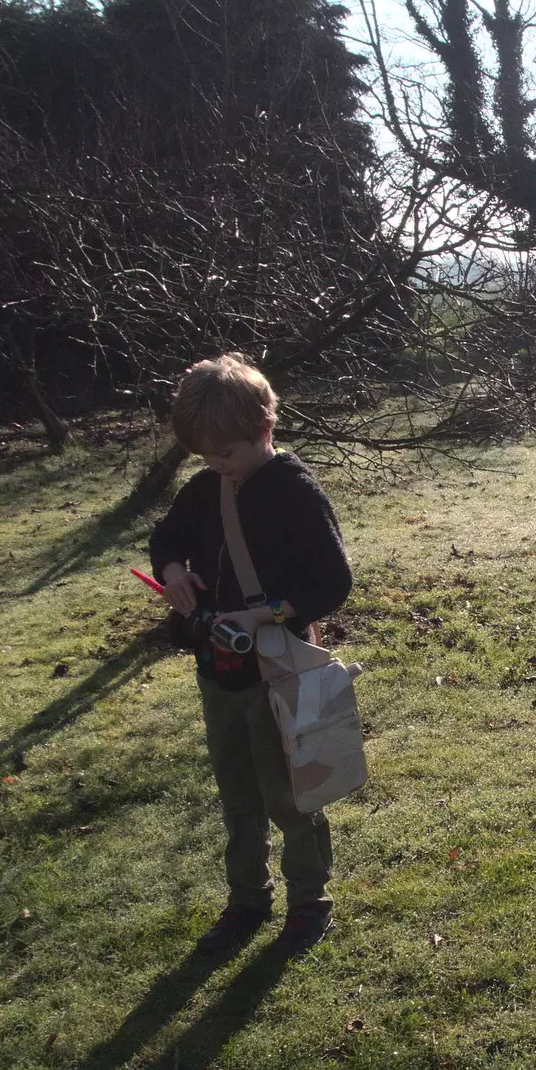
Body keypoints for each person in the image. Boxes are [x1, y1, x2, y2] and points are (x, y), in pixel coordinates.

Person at [149, 354, 354, 955]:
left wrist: (265, 614)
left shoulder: (294, 493)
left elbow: (332, 583)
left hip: (279, 669)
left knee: (290, 792)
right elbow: (169, 536)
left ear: (264, 431)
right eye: (206, 458)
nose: (217, 467)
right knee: (237, 795)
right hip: (218, 671)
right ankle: (246, 899)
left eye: (227, 455)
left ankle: (309, 901)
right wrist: (172, 571)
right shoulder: (206, 486)